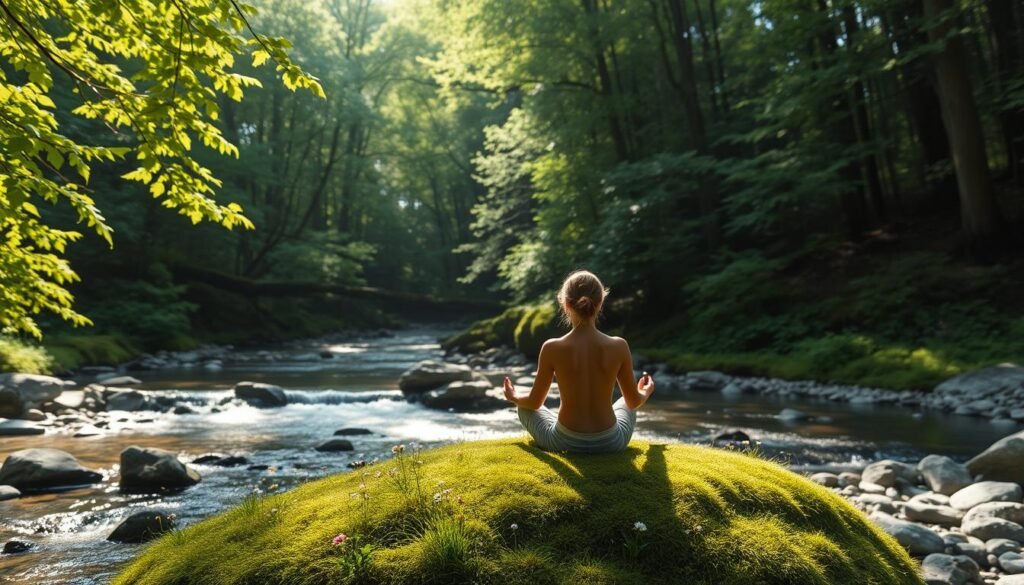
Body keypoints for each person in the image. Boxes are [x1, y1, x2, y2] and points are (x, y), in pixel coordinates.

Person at [503, 270, 655, 453]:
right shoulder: (619, 345)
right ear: (600, 304)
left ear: (565, 304)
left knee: (523, 408)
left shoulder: (552, 347)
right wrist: (644, 392)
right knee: (624, 402)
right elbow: (632, 402)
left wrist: (514, 397)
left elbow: (534, 403)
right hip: (611, 442)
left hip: (565, 441)